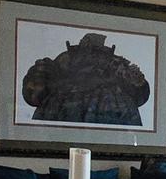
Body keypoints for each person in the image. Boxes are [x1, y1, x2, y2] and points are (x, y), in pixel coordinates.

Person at [22, 33, 152, 127]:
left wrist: (136, 81)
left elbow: (140, 94)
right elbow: (34, 94)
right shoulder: (64, 61)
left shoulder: (116, 65)